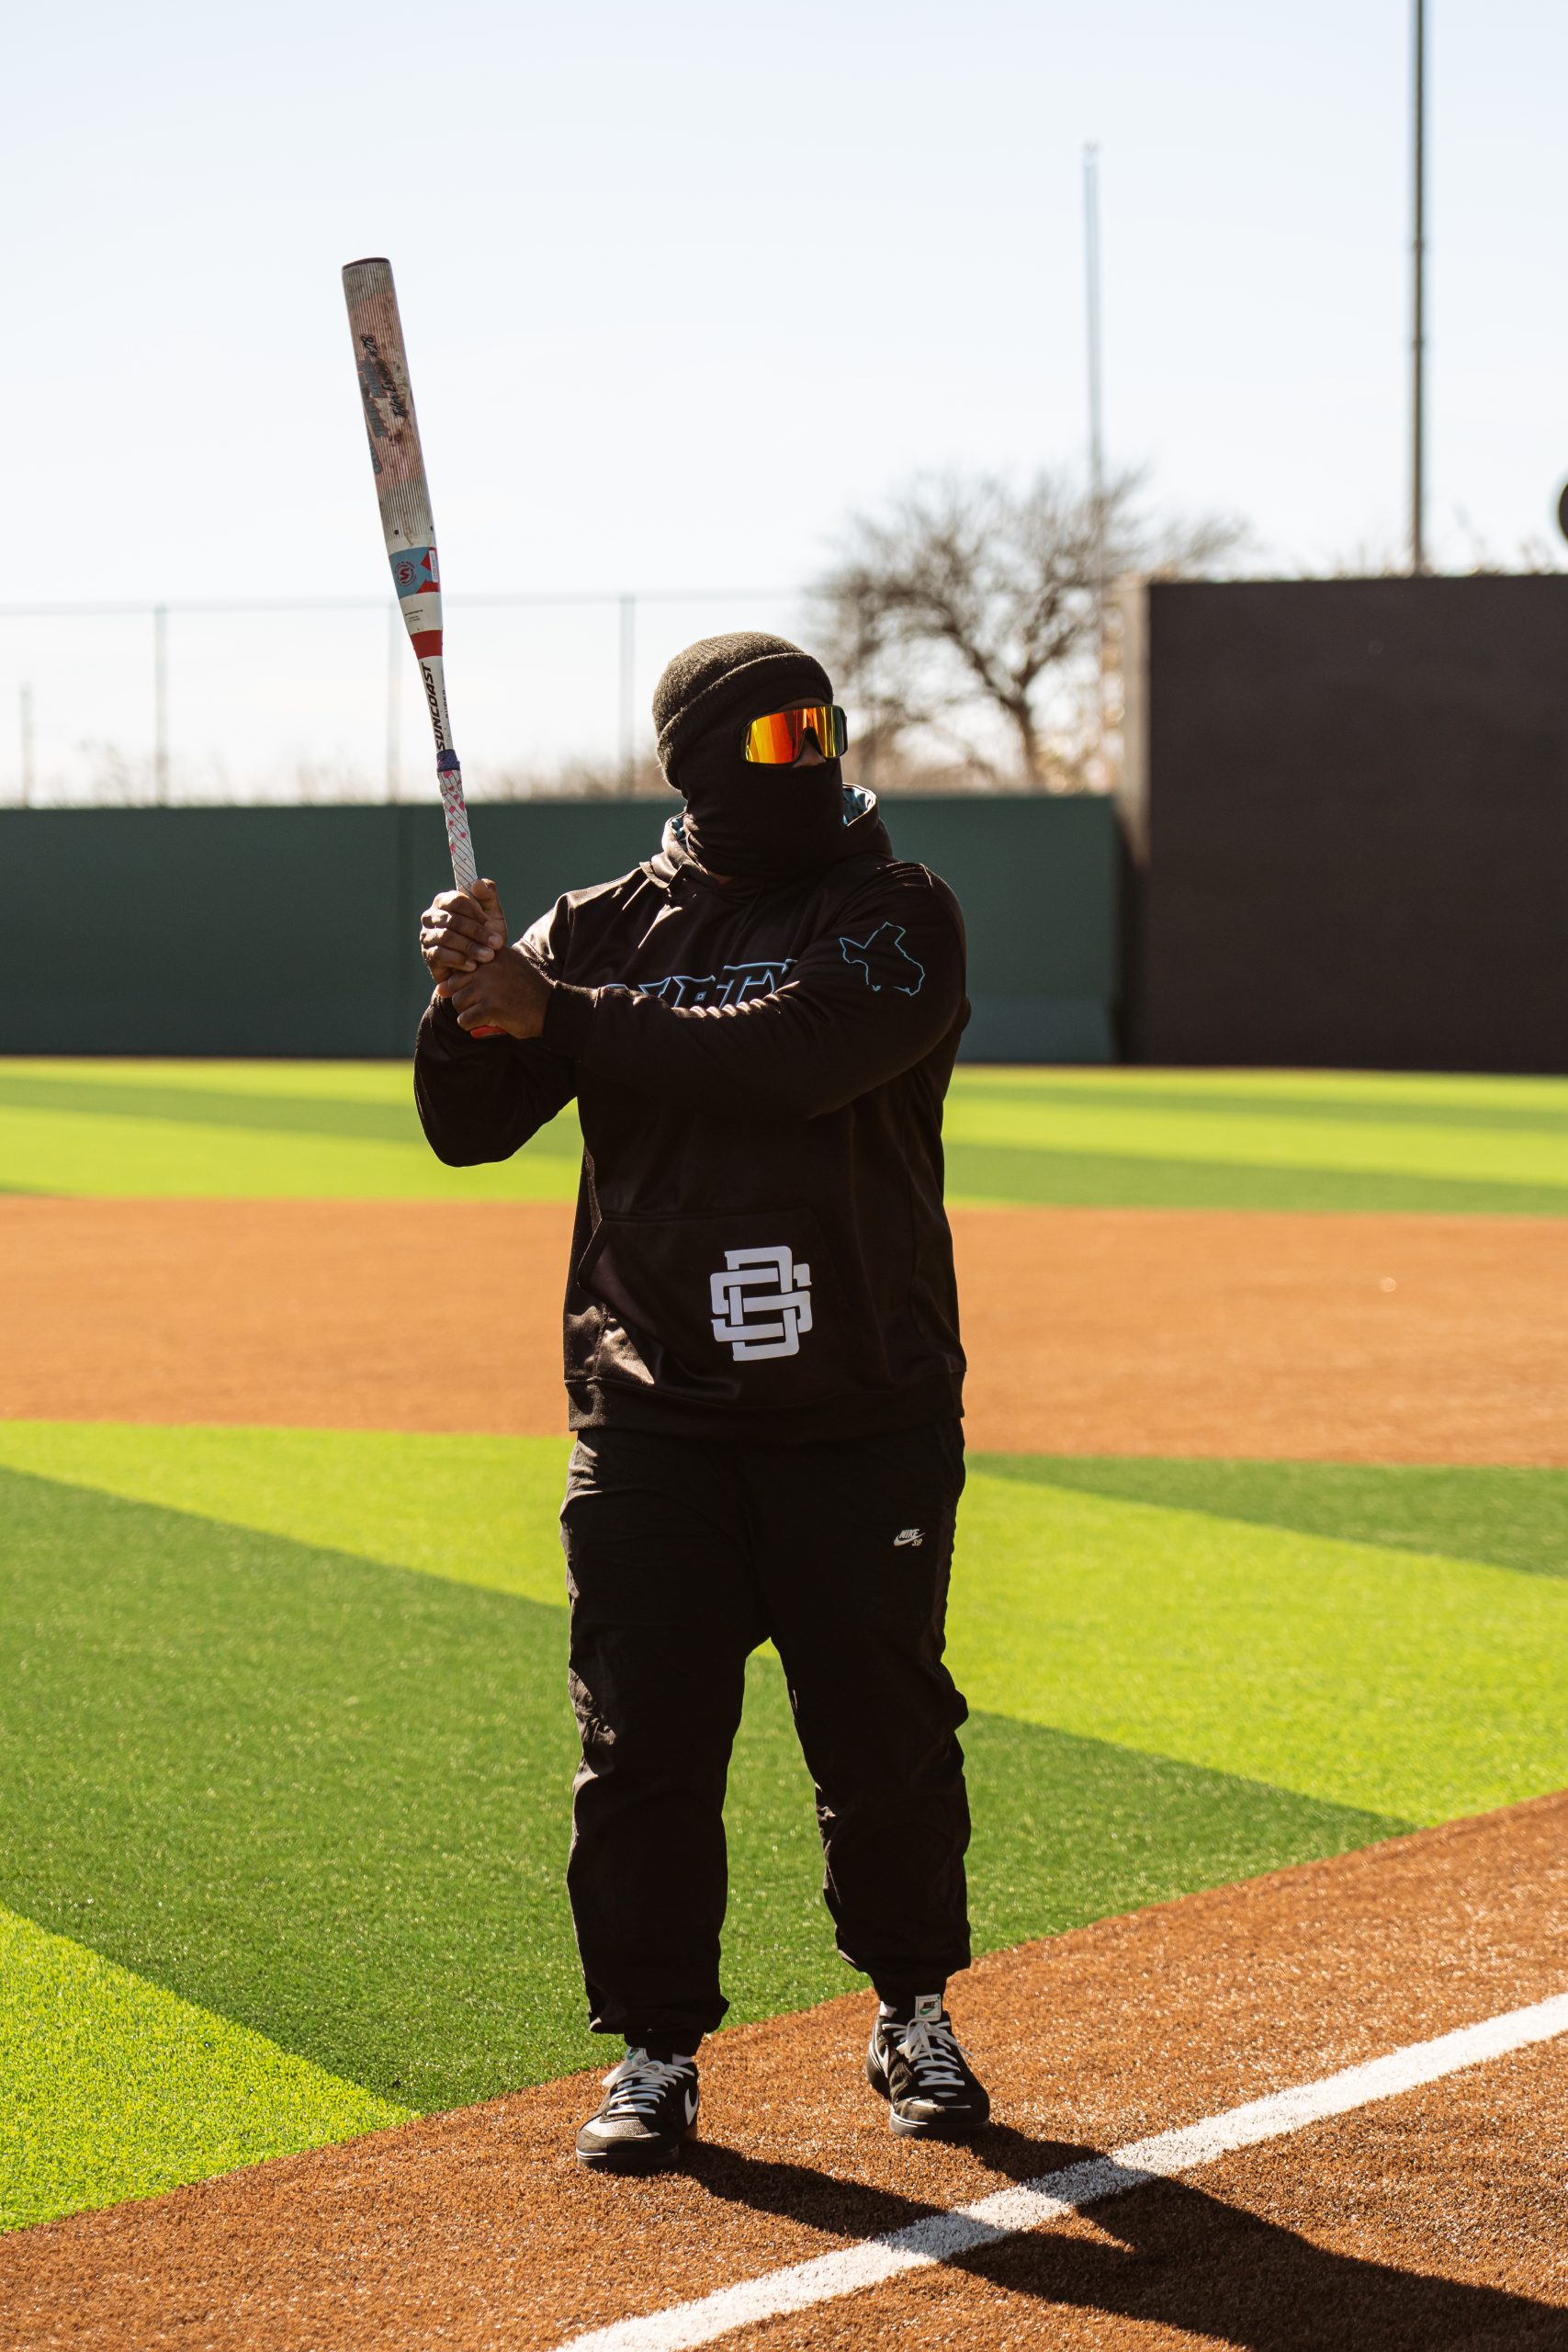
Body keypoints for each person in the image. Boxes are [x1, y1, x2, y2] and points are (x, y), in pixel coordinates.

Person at [412, 631, 988, 2174]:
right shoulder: (599, 927)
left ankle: (912, 2007)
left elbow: (799, 1058)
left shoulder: (896, 914)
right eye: (775, 733)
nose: (811, 754)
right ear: (695, 758)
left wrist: (563, 1011)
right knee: (645, 1751)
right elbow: (468, 1126)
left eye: (824, 726)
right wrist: (472, 1001)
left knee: (883, 1738)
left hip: (859, 1411)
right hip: (653, 1418)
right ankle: (655, 2051)